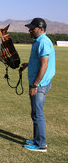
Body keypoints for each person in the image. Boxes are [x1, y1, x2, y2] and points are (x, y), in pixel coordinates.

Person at [21, 18, 55, 152]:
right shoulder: (39, 41)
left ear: (41, 29)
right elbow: (40, 61)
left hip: (39, 84)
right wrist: (28, 65)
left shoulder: (43, 42)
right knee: (35, 112)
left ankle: (41, 144)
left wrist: (35, 85)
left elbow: (44, 65)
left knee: (38, 113)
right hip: (39, 83)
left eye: (32, 28)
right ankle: (36, 139)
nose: (30, 30)